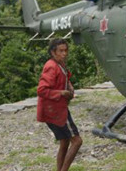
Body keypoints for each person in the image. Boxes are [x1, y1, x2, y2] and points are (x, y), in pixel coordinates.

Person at [37, 39, 83, 171]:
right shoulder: (51, 66)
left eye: (65, 50)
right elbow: (42, 90)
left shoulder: (60, 64)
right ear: (53, 52)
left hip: (56, 109)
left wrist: (69, 85)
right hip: (55, 110)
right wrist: (62, 93)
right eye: (61, 51)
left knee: (65, 141)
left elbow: (65, 76)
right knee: (77, 141)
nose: (64, 54)